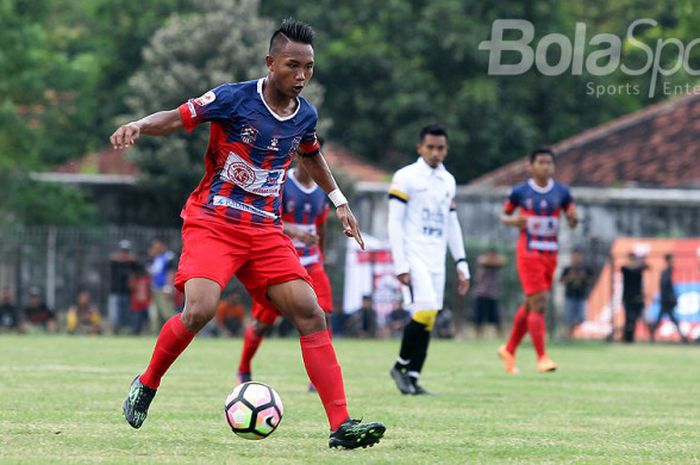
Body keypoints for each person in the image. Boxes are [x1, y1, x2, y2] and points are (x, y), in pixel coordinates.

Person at [110, 19, 384, 448]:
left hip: (264, 231)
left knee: (311, 313)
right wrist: (140, 125)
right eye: (293, 66)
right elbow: (177, 117)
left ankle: (341, 426)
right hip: (214, 222)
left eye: (309, 68)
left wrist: (340, 203)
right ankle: (147, 382)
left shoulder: (304, 114)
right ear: (270, 62)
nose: (302, 76)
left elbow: (311, 155)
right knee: (200, 310)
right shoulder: (233, 97)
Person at [388, 124, 470, 395]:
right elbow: (394, 223)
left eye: (440, 148)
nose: (435, 153)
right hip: (414, 255)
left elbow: (452, 223)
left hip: (436, 257)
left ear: (446, 150)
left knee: (430, 316)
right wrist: (401, 263)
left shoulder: (448, 181)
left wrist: (461, 262)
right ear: (419, 148)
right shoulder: (405, 177)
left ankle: (413, 376)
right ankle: (399, 366)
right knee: (423, 311)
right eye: (430, 147)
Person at [236, 161, 335, 386]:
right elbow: (264, 217)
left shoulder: (322, 189)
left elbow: (321, 225)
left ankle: (318, 379)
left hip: (312, 262)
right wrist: (295, 231)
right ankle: (243, 369)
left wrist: (322, 254)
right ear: (298, 157)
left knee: (324, 316)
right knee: (262, 323)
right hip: (281, 262)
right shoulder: (281, 184)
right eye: (307, 155)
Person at [498, 147, 578, 374]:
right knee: (540, 303)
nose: (545, 167)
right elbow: (504, 215)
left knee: (531, 303)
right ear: (531, 166)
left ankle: (509, 349)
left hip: (550, 253)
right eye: (541, 162)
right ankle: (542, 357)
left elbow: (572, 218)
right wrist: (515, 221)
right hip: (528, 252)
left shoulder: (562, 192)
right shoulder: (520, 191)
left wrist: (574, 218)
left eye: (549, 163)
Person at [650, 253, 686, 342]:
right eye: (672, 260)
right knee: (669, 318)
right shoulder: (666, 272)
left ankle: (652, 335)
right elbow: (664, 287)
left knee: (667, 318)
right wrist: (668, 298)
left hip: (666, 300)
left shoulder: (668, 272)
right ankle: (652, 335)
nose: (673, 262)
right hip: (666, 300)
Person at [560, 248, 594, 340]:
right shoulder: (567, 269)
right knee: (568, 318)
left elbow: (591, 281)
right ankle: (568, 335)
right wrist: (570, 277)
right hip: (570, 296)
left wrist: (584, 277)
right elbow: (561, 281)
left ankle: (569, 333)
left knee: (581, 318)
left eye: (578, 256)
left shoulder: (586, 268)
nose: (576, 258)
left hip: (581, 296)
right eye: (574, 256)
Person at [472, 248, 506, 338]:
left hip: (493, 294)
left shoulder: (497, 262)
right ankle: (478, 337)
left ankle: (500, 336)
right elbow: (484, 262)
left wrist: (494, 259)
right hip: (481, 293)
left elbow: (502, 261)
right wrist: (492, 259)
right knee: (479, 318)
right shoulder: (482, 260)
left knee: (496, 318)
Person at [108, 239, 138, 334]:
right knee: (114, 314)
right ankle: (115, 330)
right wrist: (125, 258)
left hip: (128, 292)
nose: (124, 253)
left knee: (126, 314)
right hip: (115, 290)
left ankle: (125, 330)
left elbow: (138, 264)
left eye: (126, 251)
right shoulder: (115, 261)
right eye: (122, 251)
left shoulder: (132, 263)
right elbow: (111, 258)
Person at [147, 238, 175, 333]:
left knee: (167, 312)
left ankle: (174, 331)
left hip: (163, 288)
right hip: (155, 288)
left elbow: (171, 272)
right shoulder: (156, 258)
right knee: (154, 313)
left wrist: (169, 286)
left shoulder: (168, 257)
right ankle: (154, 333)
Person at [620, 252, 649, 343]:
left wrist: (639, 263)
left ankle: (630, 337)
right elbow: (627, 268)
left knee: (635, 319)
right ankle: (627, 337)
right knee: (629, 318)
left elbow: (647, 266)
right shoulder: (626, 269)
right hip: (628, 298)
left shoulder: (638, 269)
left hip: (638, 298)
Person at [129, 263, 151, 335]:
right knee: (137, 318)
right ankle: (136, 331)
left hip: (145, 302)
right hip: (137, 302)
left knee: (145, 318)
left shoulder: (146, 279)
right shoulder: (135, 279)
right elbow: (131, 287)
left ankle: (144, 331)